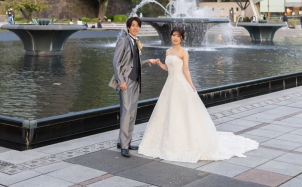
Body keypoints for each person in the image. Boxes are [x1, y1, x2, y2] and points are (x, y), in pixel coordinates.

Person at [139, 27, 259, 162]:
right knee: (169, 111)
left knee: (183, 112)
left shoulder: (184, 52)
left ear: (182, 38)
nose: (175, 38)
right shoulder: (168, 51)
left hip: (180, 84)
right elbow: (168, 68)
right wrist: (159, 63)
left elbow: (186, 70)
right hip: (169, 85)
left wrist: (191, 85)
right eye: (173, 35)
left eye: (178, 36)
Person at [109, 16, 151, 157]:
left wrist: (149, 62)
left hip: (136, 82)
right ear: (128, 27)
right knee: (126, 112)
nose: (135, 27)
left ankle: (125, 141)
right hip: (126, 81)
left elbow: (136, 64)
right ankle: (124, 146)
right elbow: (116, 63)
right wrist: (121, 81)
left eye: (138, 25)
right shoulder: (123, 41)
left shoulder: (137, 42)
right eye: (133, 25)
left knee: (132, 113)